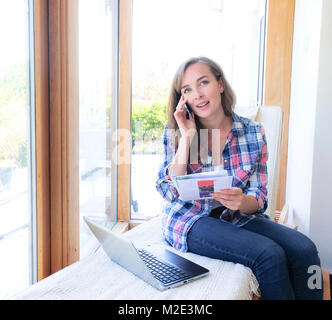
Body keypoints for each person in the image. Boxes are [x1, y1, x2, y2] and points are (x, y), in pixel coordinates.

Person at [155, 56, 323, 300]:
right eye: (188, 89)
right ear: (183, 98)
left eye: (203, 83)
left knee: (305, 249)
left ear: (220, 84)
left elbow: (259, 196)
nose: (198, 95)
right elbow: (169, 192)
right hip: (190, 219)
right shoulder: (177, 131)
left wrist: (242, 202)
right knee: (269, 254)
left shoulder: (253, 132)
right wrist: (188, 136)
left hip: (237, 217)